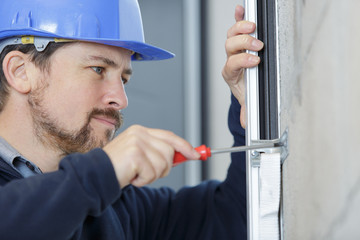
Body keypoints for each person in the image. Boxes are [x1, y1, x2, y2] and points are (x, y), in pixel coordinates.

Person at [0, 0, 263, 239]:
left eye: (123, 79)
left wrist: (249, 103)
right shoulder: (93, 183)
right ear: (20, 71)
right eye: (98, 69)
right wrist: (100, 173)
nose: (121, 99)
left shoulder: (115, 207)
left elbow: (235, 218)